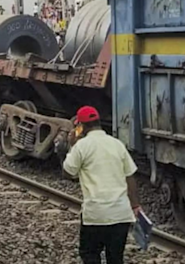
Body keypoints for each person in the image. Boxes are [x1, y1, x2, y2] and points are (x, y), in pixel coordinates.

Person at [62, 106, 141, 264]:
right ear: (98, 123)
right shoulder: (117, 144)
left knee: (90, 254)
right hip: (121, 213)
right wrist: (135, 205)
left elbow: (67, 172)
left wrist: (71, 145)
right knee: (115, 258)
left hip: (95, 214)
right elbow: (130, 177)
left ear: (81, 127)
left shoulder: (81, 146)